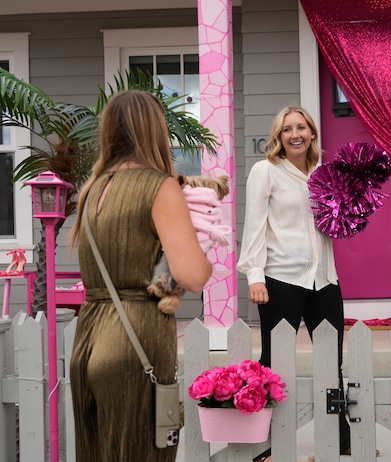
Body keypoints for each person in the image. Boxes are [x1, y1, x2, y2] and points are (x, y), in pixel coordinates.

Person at [68, 90, 213, 462]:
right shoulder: (159, 186)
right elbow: (192, 275)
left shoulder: (92, 189)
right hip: (135, 338)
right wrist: (206, 247)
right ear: (155, 131)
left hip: (89, 339)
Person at [237, 105, 351, 460]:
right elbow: (254, 224)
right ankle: (267, 445)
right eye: (287, 129)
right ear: (279, 137)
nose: (295, 134)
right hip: (281, 278)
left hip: (325, 279)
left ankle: (342, 442)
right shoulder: (266, 172)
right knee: (274, 361)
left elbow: (339, 220)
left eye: (301, 127)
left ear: (312, 133)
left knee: (333, 362)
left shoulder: (326, 173)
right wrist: (255, 275)